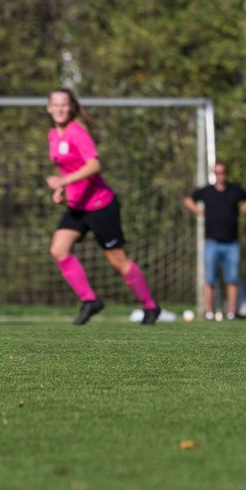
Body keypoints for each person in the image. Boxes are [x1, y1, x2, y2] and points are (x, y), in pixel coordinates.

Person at [45, 88, 161, 326]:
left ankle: (150, 306)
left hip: (100, 205)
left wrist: (64, 182)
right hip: (77, 206)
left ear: (71, 107)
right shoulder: (53, 135)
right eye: (55, 105)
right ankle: (90, 300)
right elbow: (64, 170)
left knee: (117, 261)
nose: (59, 109)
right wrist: (60, 189)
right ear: (48, 108)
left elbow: (94, 165)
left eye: (64, 104)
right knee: (58, 250)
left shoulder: (78, 132)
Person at [183, 161, 246, 320]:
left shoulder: (234, 190)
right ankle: (209, 312)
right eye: (217, 172)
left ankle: (231, 313)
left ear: (226, 173)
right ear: (214, 174)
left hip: (232, 243)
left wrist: (242, 210)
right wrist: (199, 211)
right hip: (211, 242)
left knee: (232, 279)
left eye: (222, 172)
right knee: (209, 279)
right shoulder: (206, 191)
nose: (220, 175)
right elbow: (188, 200)